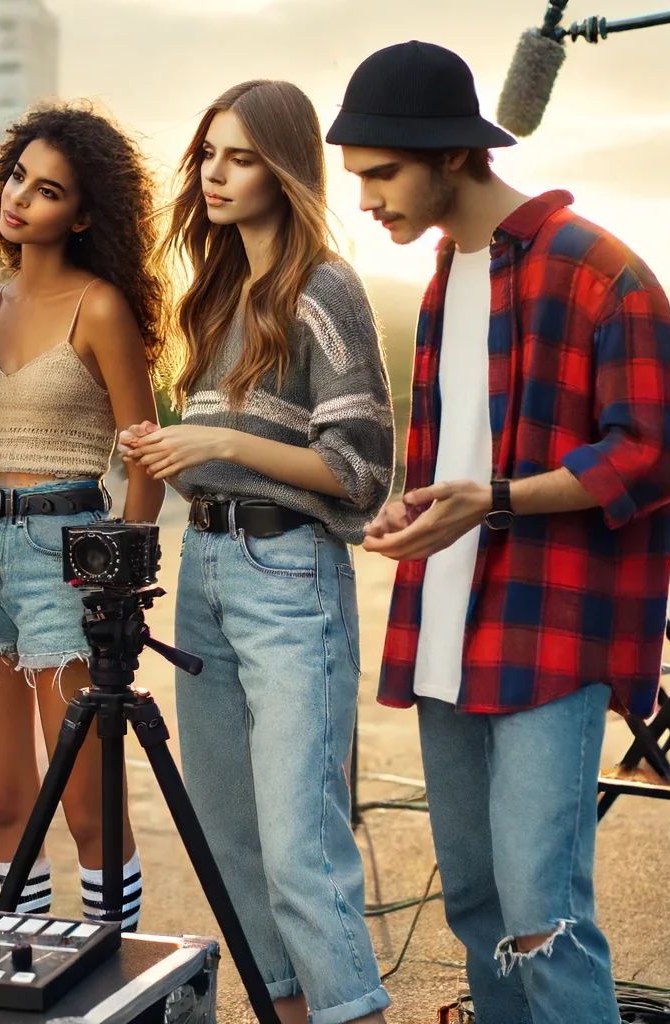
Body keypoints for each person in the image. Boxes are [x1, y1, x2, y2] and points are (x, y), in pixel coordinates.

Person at [327, 41, 670, 1024]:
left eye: (381, 173)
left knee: (542, 913)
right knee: (477, 902)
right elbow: (465, 453)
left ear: (454, 154)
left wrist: (494, 499)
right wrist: (423, 504)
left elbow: (655, 452)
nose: (364, 198)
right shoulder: (447, 270)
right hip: (448, 623)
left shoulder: (604, 270)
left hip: (549, 632)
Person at [120, 79, 393, 1024]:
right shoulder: (213, 297)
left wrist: (224, 444)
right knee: (229, 837)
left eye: (239, 156)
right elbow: (216, 450)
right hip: (206, 569)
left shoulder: (326, 287)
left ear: (284, 168)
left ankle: (352, 1008)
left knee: (299, 846)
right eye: (207, 154)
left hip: (289, 576)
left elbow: (359, 472)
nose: (215, 174)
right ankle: (284, 1011)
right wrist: (170, 451)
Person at [0, 104, 168, 928]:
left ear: (81, 212)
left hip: (68, 553)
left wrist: (126, 584)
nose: (19, 199)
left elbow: (144, 455)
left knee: (88, 812)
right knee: (7, 804)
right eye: (15, 178)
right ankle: (25, 968)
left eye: (47, 190)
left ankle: (117, 986)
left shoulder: (100, 306)